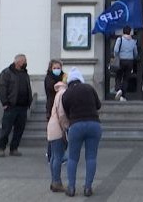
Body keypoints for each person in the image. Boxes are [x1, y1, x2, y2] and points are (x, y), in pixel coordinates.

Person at [62, 67, 102, 197]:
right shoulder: (89, 88)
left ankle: (71, 188)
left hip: (76, 125)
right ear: (80, 78)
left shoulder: (67, 93)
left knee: (73, 158)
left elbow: (66, 111)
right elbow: (98, 105)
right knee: (91, 157)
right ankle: (88, 187)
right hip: (94, 124)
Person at [0, 53, 32, 157]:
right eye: (24, 61)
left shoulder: (25, 73)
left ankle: (14, 148)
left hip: (23, 107)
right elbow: (2, 88)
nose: (26, 63)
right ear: (18, 62)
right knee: (6, 129)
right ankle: (1, 148)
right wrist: (5, 103)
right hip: (11, 106)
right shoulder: (7, 73)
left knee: (19, 130)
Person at [47, 80, 70, 193]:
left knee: (54, 156)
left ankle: (54, 181)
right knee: (58, 156)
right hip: (57, 127)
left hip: (52, 126)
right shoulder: (63, 93)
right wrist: (65, 126)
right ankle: (57, 182)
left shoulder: (58, 93)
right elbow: (61, 113)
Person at [44, 59, 65, 162]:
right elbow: (54, 88)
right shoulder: (49, 78)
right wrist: (62, 82)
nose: (57, 70)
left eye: (59, 68)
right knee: (53, 133)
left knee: (63, 133)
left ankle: (60, 154)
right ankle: (50, 154)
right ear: (50, 68)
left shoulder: (64, 76)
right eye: (55, 68)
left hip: (62, 107)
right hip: (51, 108)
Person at [114, 26, 138, 101]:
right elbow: (135, 52)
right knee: (126, 78)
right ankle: (123, 96)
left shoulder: (120, 39)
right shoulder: (133, 41)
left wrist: (116, 56)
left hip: (121, 60)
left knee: (118, 76)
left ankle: (118, 90)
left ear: (123, 32)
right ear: (130, 32)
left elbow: (116, 50)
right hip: (130, 61)